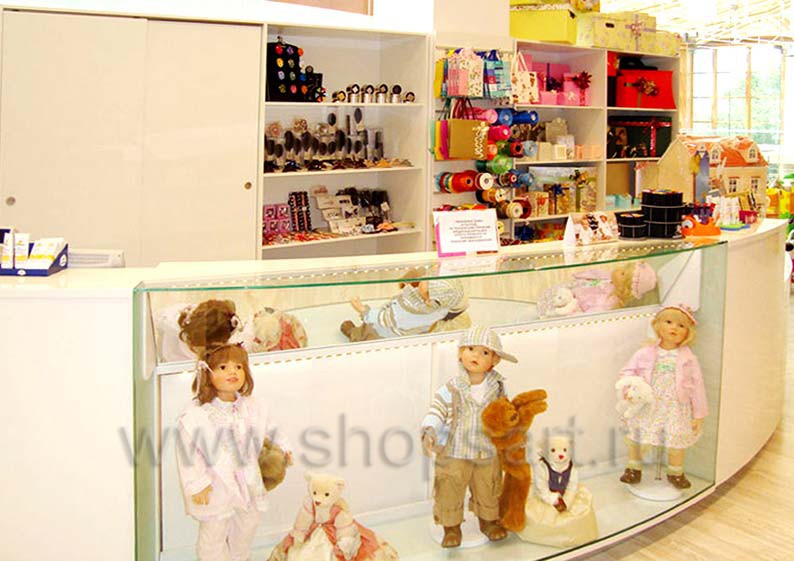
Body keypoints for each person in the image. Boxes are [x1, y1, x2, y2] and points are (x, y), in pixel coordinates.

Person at [176, 343, 292, 561]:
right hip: (217, 481)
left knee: (246, 527)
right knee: (214, 533)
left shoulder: (253, 407)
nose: (233, 372)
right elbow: (189, 453)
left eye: (238, 367)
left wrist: (284, 448)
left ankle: (240, 557)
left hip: (248, 479)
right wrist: (197, 483)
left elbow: (270, 428)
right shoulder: (198, 416)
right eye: (223, 367)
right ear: (207, 373)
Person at [420, 326, 515, 548]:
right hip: (454, 451)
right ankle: (451, 527)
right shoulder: (451, 388)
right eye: (471, 349)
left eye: (485, 352)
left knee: (488, 486)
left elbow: (505, 413)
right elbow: (437, 410)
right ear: (460, 353)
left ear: (494, 361)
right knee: (449, 487)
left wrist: (510, 432)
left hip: (486, 450)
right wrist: (430, 429)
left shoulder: (498, 388)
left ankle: (488, 521)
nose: (476, 356)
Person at [618, 305, 708, 489]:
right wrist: (628, 389)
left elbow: (697, 385)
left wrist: (699, 414)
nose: (674, 328)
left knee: (676, 439)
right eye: (668, 322)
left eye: (681, 326)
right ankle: (634, 467)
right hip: (648, 403)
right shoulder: (644, 353)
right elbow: (627, 371)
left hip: (676, 405)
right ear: (658, 325)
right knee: (637, 435)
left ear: (688, 333)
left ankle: (676, 472)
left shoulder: (688, 358)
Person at [341, 276, 468, 342]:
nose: (425, 279)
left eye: (427, 282)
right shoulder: (442, 306)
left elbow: (384, 318)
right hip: (409, 331)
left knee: (368, 330)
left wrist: (363, 310)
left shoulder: (410, 312)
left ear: (430, 300)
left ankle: (354, 334)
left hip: (387, 332)